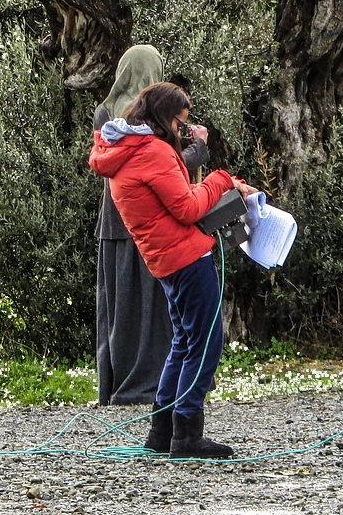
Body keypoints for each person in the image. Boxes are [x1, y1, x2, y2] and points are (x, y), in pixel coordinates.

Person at [89, 82, 257, 457]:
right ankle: (187, 433)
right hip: (186, 258)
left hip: (163, 260)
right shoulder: (153, 152)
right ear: (165, 119)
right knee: (206, 343)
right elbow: (187, 208)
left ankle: (162, 430)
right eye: (180, 124)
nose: (181, 131)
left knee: (183, 340)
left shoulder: (122, 150)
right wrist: (222, 179)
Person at [93, 45, 212, 407]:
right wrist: (200, 151)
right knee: (161, 312)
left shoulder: (106, 112)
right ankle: (159, 386)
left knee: (120, 309)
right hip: (155, 224)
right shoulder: (154, 118)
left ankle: (120, 385)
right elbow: (166, 170)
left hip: (114, 221)